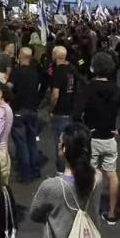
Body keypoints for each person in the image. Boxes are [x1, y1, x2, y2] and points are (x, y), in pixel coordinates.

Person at [73, 52, 120, 225]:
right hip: (109, 138)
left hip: (92, 137)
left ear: (94, 68)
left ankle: (86, 212)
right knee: (111, 174)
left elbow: (76, 114)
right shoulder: (116, 89)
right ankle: (112, 213)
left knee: (91, 174)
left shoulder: (88, 88)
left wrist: (84, 129)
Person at [8, 47, 41, 183]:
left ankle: (26, 174)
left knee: (21, 144)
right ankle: (35, 169)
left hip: (19, 111)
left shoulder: (16, 72)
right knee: (31, 141)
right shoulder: (35, 73)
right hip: (32, 110)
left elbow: (8, 87)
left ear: (21, 56)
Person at [51, 46, 76, 176]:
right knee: (69, 142)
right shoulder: (71, 69)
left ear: (56, 56)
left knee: (60, 144)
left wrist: (51, 107)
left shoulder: (58, 71)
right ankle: (69, 169)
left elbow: (55, 94)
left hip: (60, 112)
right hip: (70, 110)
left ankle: (61, 172)